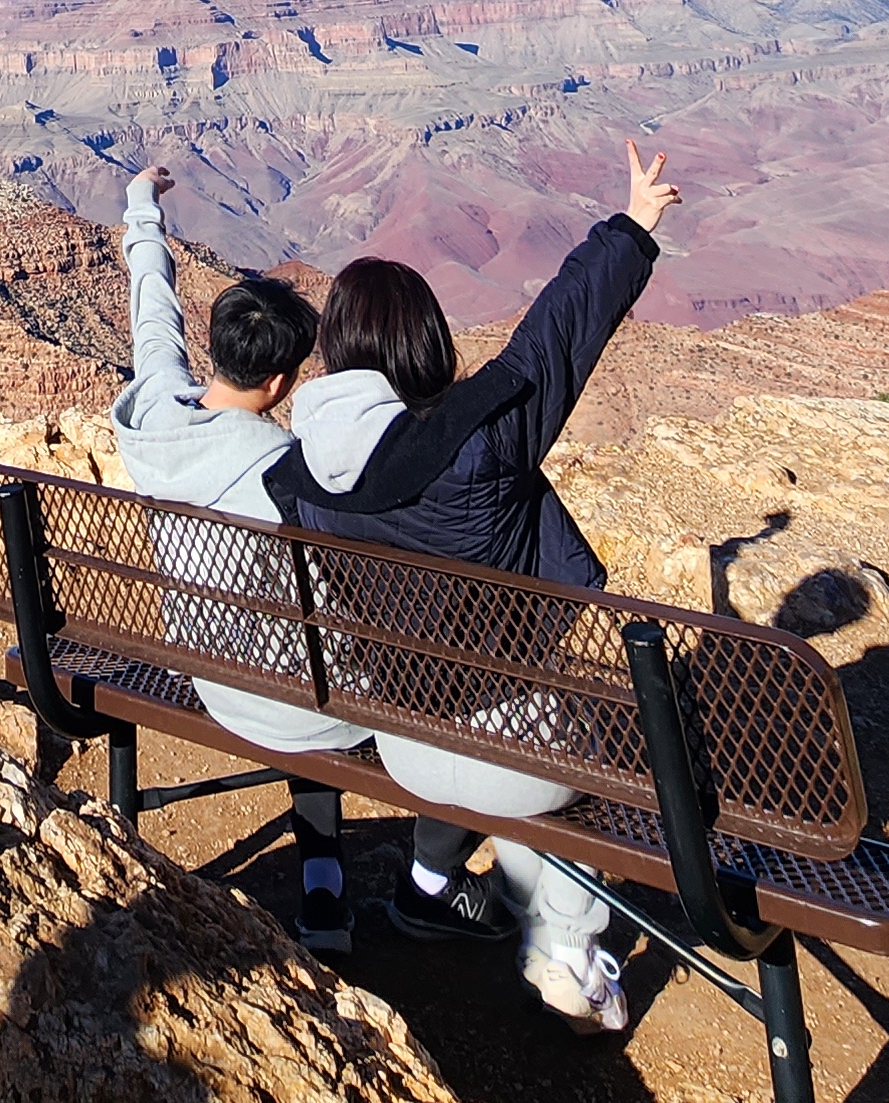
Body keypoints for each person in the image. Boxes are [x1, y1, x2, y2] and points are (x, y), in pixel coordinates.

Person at [272, 140, 685, 1034]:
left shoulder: (296, 476)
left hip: (401, 734)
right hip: (511, 745)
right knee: (560, 759)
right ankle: (568, 963)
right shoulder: (481, 439)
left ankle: (427, 888)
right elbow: (554, 340)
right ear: (425, 343)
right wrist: (634, 225)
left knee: (475, 712)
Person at [110, 164, 367, 950]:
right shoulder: (287, 474)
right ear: (284, 380)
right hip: (283, 699)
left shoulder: (155, 412)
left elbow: (152, 318)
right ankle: (324, 882)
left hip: (201, 666)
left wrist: (140, 206)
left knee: (298, 658)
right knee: (317, 665)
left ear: (216, 350)